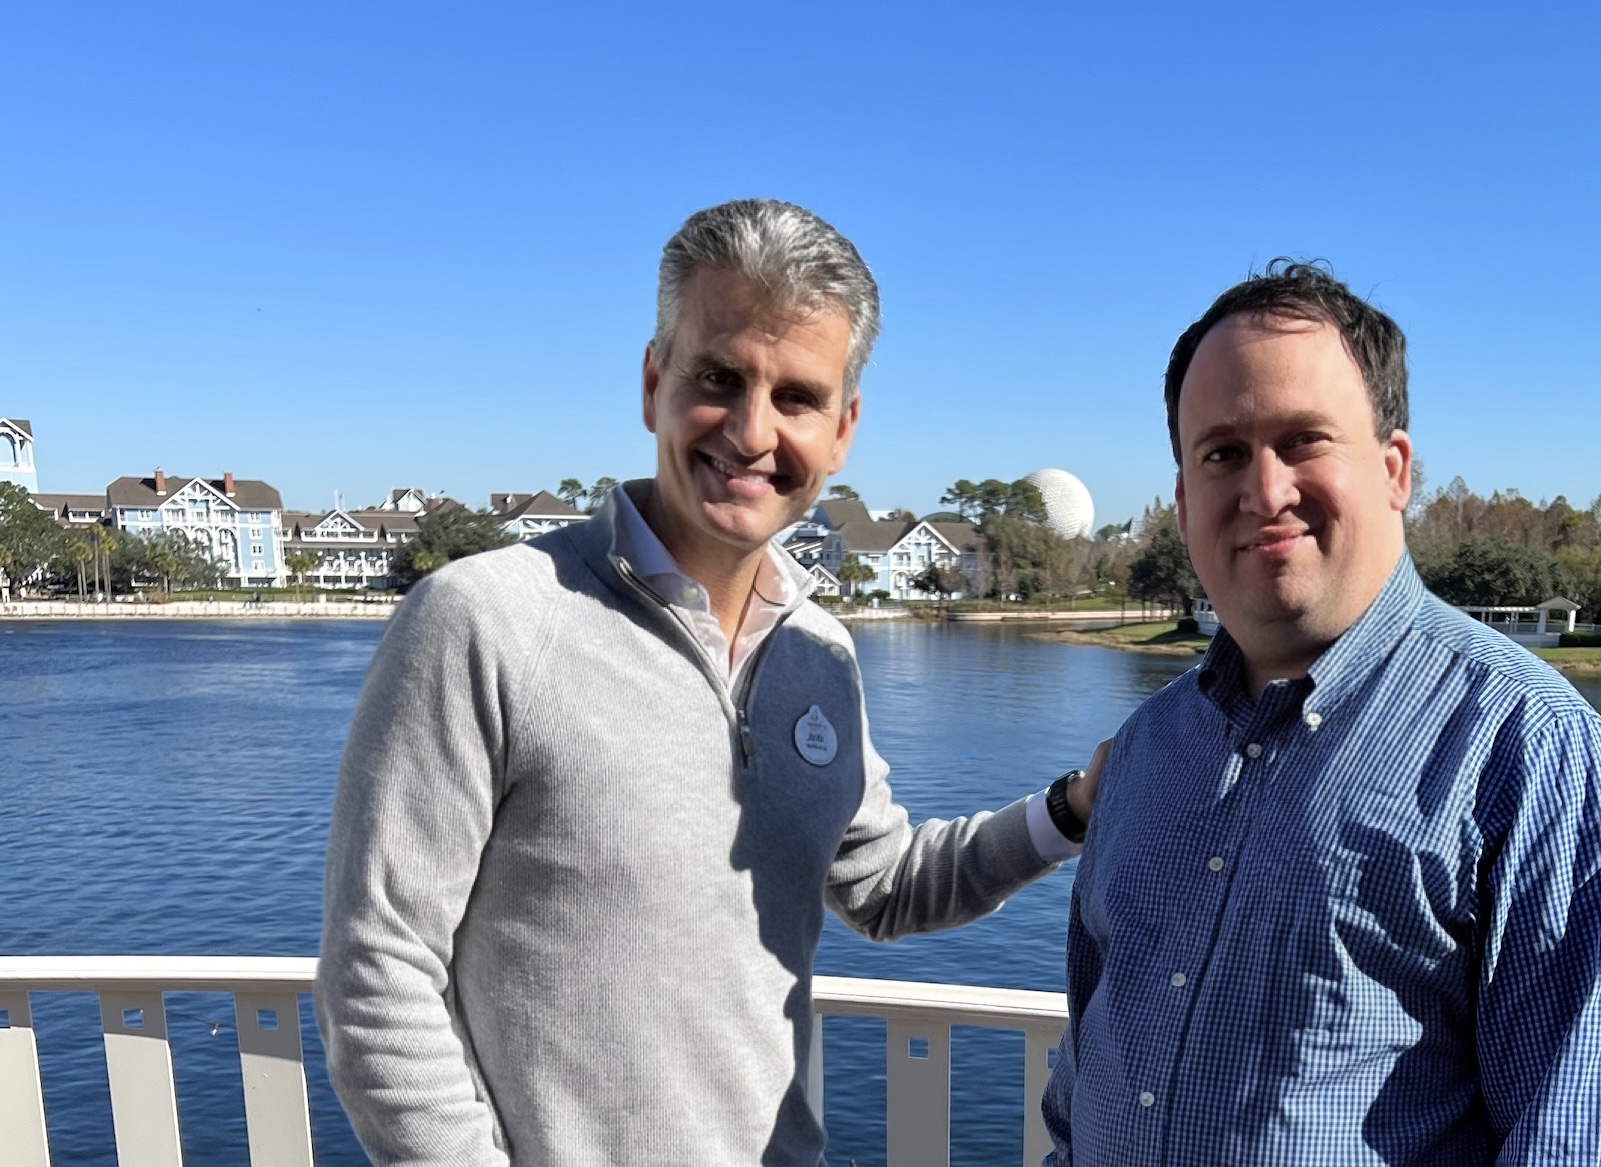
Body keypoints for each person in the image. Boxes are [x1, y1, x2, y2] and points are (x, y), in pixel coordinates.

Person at [317, 199, 1098, 1167]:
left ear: (843, 430)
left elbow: (885, 885)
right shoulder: (484, 619)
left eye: (797, 397)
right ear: (653, 383)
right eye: (718, 378)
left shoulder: (818, 655)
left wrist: (1071, 809)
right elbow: (378, 976)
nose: (751, 430)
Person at [1043, 262, 1601, 1165]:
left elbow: (1568, 1140)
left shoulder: (1527, 751)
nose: (1265, 491)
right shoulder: (1144, 748)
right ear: (1181, 502)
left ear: (1394, 469)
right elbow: (1087, 1066)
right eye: (1222, 453)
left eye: (1303, 440)